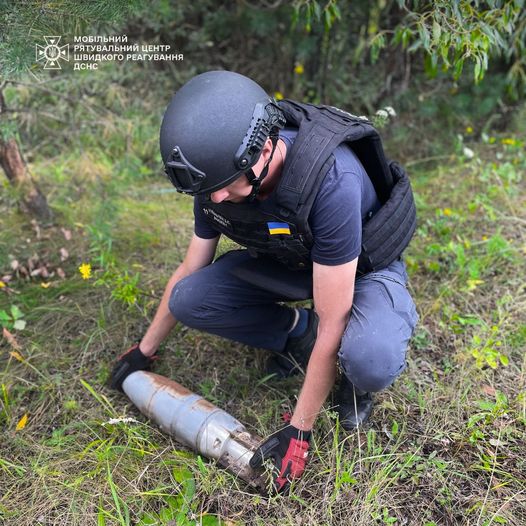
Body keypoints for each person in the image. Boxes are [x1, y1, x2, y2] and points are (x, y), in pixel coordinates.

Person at [110, 70, 419, 492]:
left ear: (264, 148)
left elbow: (335, 316)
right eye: (209, 189)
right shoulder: (215, 177)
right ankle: (297, 335)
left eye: (222, 187)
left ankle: (351, 378)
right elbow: (189, 269)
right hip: (291, 259)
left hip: (361, 267)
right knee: (189, 298)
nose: (215, 198)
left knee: (370, 356)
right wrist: (143, 352)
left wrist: (299, 431)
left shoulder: (331, 181)